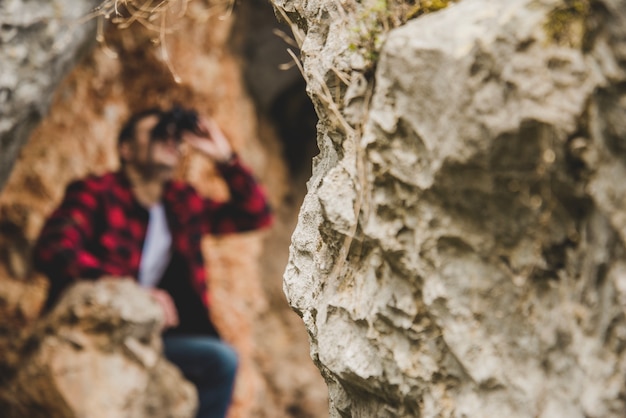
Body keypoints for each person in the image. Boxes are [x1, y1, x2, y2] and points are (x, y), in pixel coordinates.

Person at [33, 106, 273, 418]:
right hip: (96, 334)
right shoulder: (98, 192)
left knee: (221, 361)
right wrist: (132, 293)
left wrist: (223, 156)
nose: (169, 142)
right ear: (127, 149)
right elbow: (53, 250)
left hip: (155, 339)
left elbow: (255, 214)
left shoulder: (181, 203)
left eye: (174, 137)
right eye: (157, 134)